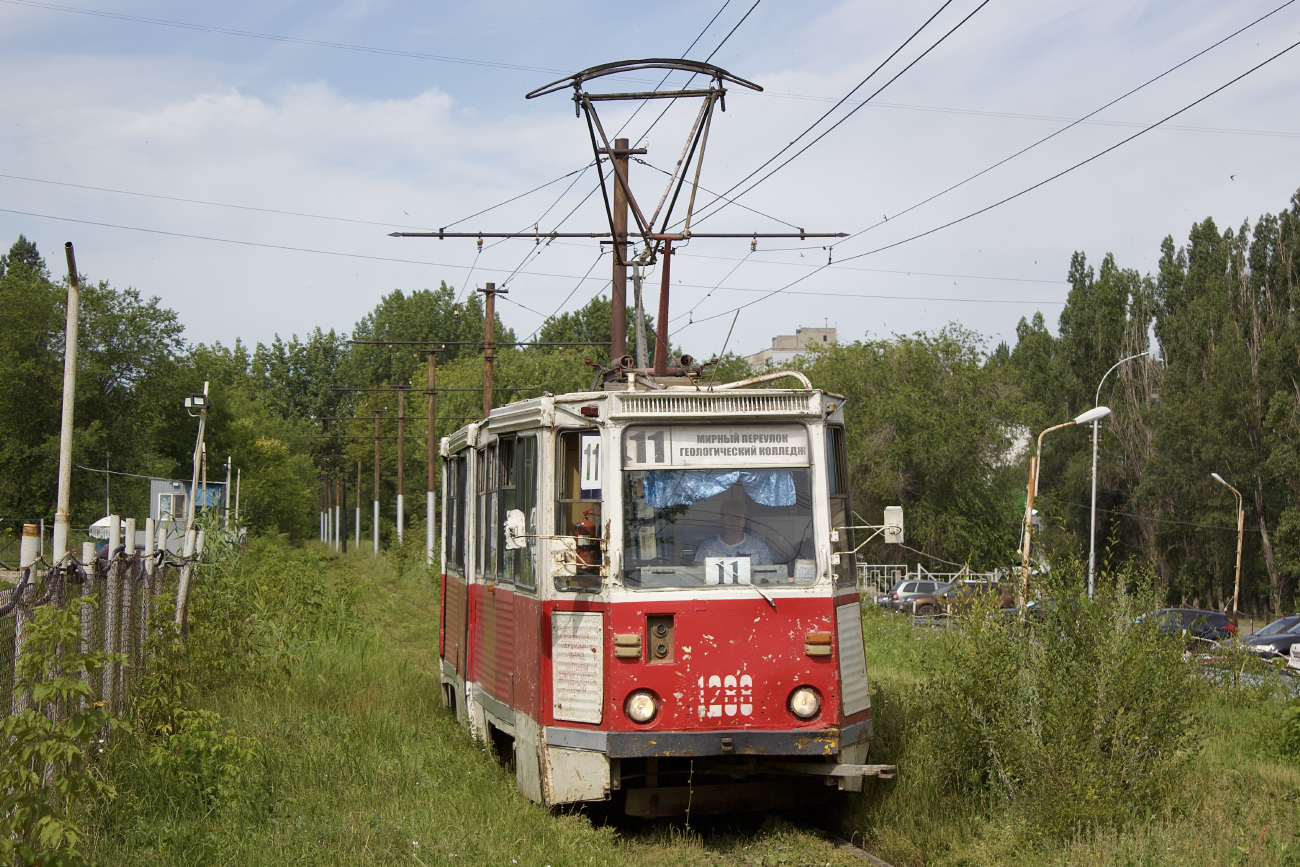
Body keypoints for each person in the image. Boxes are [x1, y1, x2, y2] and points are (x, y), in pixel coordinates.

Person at [693, 486, 774, 566]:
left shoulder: (757, 545)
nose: (734, 522)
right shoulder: (708, 545)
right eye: (730, 518)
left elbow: (771, 572)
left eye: (738, 518)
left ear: (744, 520)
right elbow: (698, 572)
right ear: (722, 519)